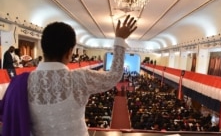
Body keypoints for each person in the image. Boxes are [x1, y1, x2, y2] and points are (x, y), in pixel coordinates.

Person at [0, 14, 137, 136]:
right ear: (70, 52)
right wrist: (119, 40)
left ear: (43, 48)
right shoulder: (80, 78)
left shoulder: (20, 83)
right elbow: (114, 76)